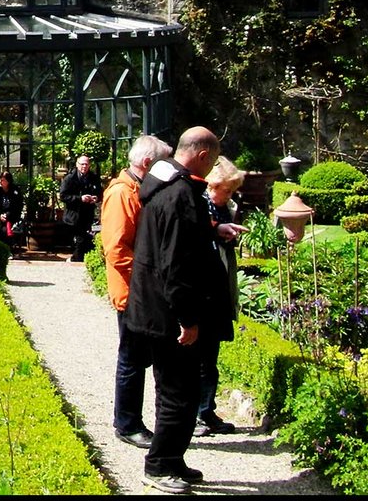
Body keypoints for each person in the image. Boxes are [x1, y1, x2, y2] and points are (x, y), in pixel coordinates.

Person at [124, 126, 229, 494]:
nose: (214, 165)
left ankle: (174, 459)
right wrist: (187, 318)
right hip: (167, 314)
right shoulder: (181, 194)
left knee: (177, 391)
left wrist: (212, 231)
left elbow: (175, 245)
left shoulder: (164, 184)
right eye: (214, 159)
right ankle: (158, 465)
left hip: (154, 307)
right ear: (202, 155)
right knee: (178, 393)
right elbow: (176, 265)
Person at [100, 134, 174, 448]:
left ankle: (135, 421)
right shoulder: (121, 193)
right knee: (131, 357)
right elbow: (116, 250)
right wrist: (149, 281)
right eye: (162, 162)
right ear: (147, 163)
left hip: (141, 290)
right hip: (132, 292)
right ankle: (127, 423)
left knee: (140, 356)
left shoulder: (137, 189)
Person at [197, 155, 245, 437]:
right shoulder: (200, 207)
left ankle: (207, 409)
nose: (228, 196)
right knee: (199, 360)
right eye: (224, 190)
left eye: (230, 191)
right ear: (211, 185)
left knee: (210, 358)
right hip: (203, 292)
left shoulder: (225, 209)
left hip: (219, 291)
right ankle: (196, 414)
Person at [59, 153, 103, 261]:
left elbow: (100, 193)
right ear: (77, 165)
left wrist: (95, 198)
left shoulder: (94, 178)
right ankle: (77, 257)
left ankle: (78, 258)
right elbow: (63, 196)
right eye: (82, 164)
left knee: (84, 237)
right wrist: (79, 198)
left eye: (86, 164)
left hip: (87, 213)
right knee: (78, 238)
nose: (84, 166)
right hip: (73, 214)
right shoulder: (69, 178)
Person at [0, 170, 25, 251]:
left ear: (8, 181)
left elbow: (17, 206)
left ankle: (7, 250)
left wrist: (7, 215)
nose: (1, 182)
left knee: (5, 230)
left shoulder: (15, 190)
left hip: (11, 216)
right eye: (0, 180)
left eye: (3, 180)